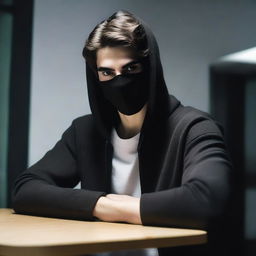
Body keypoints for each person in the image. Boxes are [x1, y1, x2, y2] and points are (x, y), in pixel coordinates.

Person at [12, 10, 233, 256]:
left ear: (150, 68)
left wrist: (123, 208)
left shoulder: (195, 127)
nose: (119, 81)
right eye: (107, 72)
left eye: (130, 69)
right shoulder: (85, 132)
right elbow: (26, 188)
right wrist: (101, 204)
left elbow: (207, 199)